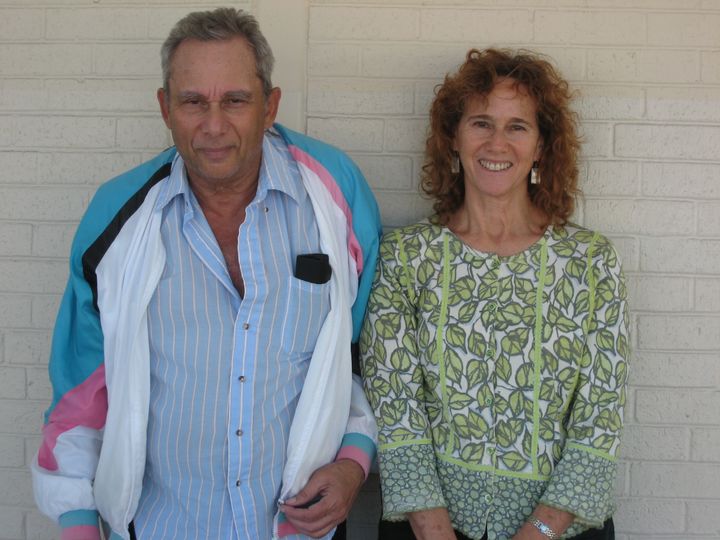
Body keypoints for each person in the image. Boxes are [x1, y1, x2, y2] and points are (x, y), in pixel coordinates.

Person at [31, 7, 381, 540]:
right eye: (193, 101)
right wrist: (78, 523)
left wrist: (353, 462)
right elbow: (81, 394)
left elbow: (358, 355)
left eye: (235, 100)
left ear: (270, 105)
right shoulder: (117, 219)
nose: (213, 125)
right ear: (165, 108)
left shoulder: (335, 196)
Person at [360, 48, 629, 540]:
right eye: (481, 123)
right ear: (454, 139)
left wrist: (542, 529)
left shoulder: (590, 263)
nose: (497, 142)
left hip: (558, 532)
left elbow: (600, 414)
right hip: (429, 528)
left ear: (542, 146)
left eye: (517, 126)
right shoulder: (405, 256)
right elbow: (395, 403)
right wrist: (432, 526)